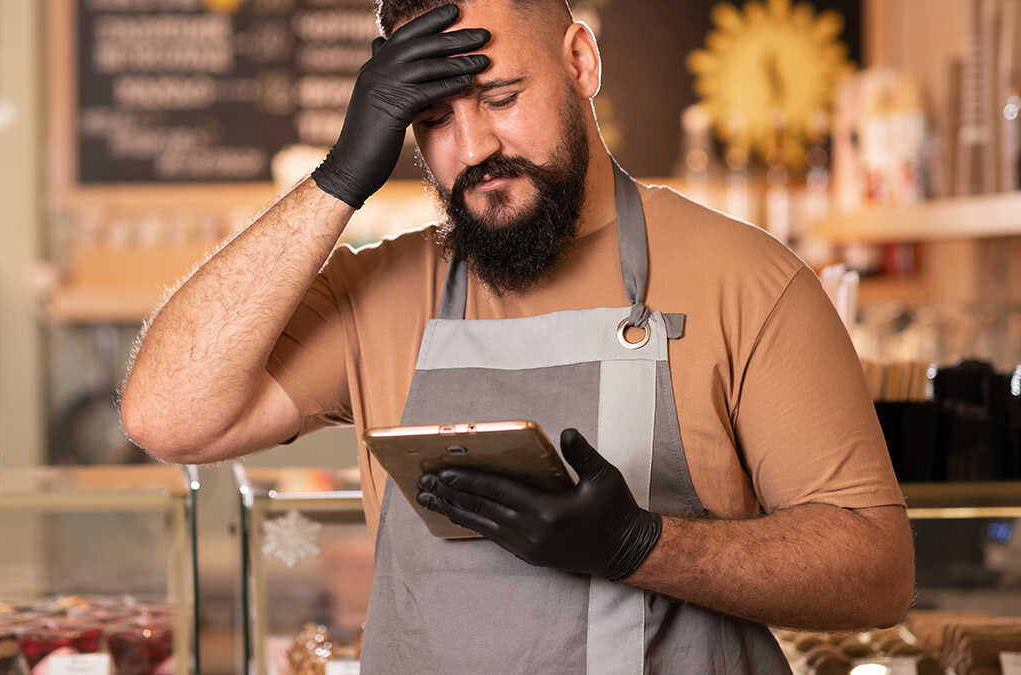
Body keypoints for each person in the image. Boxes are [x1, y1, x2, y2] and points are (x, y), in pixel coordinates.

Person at [121, 0, 915, 671]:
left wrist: (641, 545)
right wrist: (340, 177)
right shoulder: (383, 294)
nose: (473, 151)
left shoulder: (748, 281)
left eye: (501, 98)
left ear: (581, 61)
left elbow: (876, 571)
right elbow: (167, 416)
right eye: (431, 119)